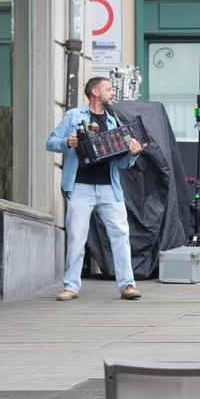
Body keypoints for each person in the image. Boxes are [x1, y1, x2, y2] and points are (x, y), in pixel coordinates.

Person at [45, 76, 145, 302]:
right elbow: (50, 142)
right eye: (109, 89)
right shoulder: (74, 116)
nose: (113, 92)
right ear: (95, 92)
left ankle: (127, 285)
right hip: (80, 187)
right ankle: (71, 286)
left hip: (110, 188)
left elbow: (122, 163)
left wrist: (133, 154)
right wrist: (67, 142)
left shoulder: (114, 121)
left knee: (121, 236)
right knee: (77, 237)